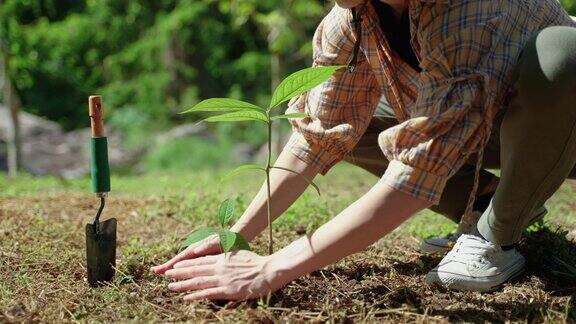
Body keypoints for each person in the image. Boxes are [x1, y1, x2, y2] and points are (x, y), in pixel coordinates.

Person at [151, 0, 576, 300]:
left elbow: (416, 174)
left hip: (563, 126)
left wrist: (273, 268)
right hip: (495, 124)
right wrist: (238, 236)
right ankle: (484, 203)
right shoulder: (354, 17)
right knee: (355, 120)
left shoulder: (465, 13)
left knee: (562, 55)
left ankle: (496, 236)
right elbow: (319, 136)